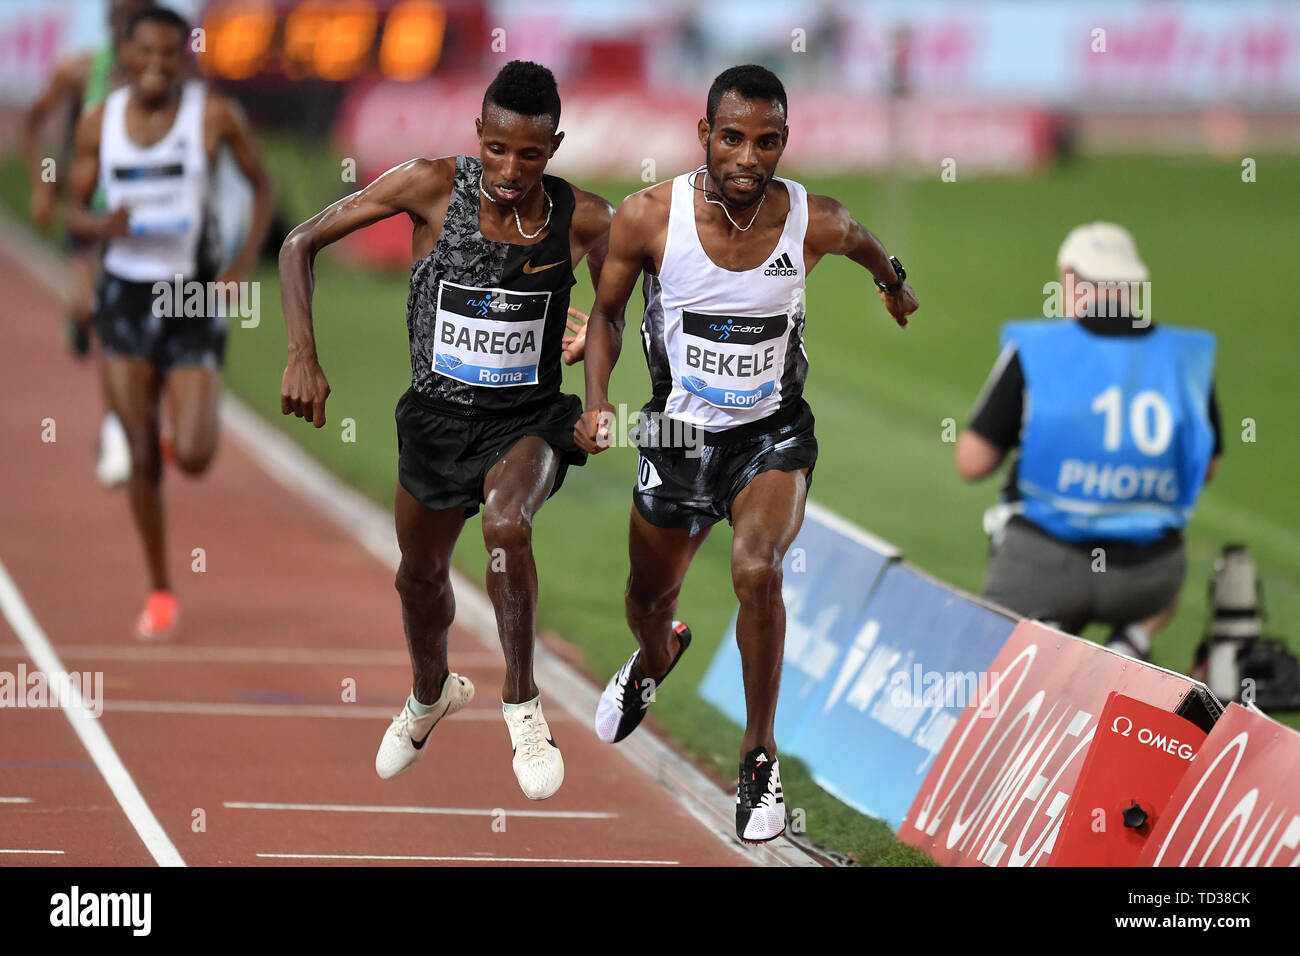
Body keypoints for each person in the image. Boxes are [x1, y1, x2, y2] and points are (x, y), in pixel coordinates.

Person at [571, 65, 917, 842]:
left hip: (773, 434)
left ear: (783, 144)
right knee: (645, 601)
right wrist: (597, 401)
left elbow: (864, 244)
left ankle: (758, 758)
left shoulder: (811, 219)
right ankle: (656, 657)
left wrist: (894, 282)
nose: (747, 158)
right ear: (704, 136)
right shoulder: (647, 217)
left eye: (766, 142)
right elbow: (607, 316)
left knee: (757, 568)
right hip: (674, 433)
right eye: (732, 137)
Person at [278, 61, 615, 801]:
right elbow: (298, 242)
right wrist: (303, 354)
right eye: (498, 149)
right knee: (418, 579)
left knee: (506, 524)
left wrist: (598, 360)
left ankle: (523, 707)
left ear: (553, 146)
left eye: (530, 154)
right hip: (435, 423)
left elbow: (638, 289)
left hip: (527, 422)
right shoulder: (431, 185)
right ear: (478, 137)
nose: (511, 169)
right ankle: (431, 695)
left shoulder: (581, 216)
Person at [66, 6, 274, 640]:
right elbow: (74, 213)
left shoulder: (211, 115)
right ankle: (160, 591)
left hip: (192, 299)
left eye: (169, 55)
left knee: (194, 454)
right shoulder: (100, 122)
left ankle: (163, 436)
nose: (156, 66)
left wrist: (239, 268)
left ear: (185, 58)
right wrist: (105, 225)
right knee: (136, 452)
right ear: (124, 58)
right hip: (126, 296)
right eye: (144, 54)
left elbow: (264, 188)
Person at [955, 222, 1222, 662]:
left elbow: (972, 462)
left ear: (1070, 279)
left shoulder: (1038, 350)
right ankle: (1134, 637)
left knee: (990, 669)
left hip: (1044, 569)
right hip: (1149, 579)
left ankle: (1047, 636)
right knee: (1169, 544)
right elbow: (1205, 467)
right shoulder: (1182, 359)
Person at [22, 0, 155, 486]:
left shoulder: (158, 77)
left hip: (136, 220)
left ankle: (116, 425)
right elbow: (32, 120)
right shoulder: (79, 71)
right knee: (87, 309)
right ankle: (79, 319)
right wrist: (41, 185)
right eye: (118, 16)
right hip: (87, 212)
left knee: (117, 321)